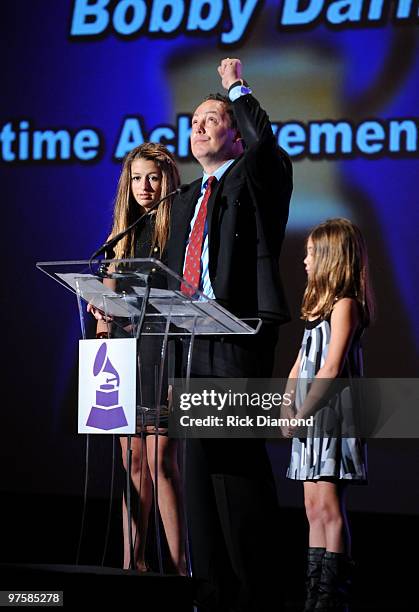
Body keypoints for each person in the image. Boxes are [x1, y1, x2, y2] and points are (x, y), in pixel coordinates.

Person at [167, 59, 293, 611]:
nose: (198, 127)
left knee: (235, 465)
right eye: (193, 120)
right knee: (198, 468)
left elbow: (265, 142)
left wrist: (235, 89)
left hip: (238, 334)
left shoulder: (255, 176)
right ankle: (211, 591)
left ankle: (257, 594)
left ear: (235, 136)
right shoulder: (187, 197)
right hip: (191, 338)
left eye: (212, 118)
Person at [90, 143, 186, 575]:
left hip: (161, 351)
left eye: (152, 178)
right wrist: (99, 312)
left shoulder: (178, 228)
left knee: (159, 460)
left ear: (166, 179)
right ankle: (135, 564)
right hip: (121, 356)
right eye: (136, 178)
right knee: (131, 461)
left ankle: (182, 567)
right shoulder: (120, 236)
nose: (144, 187)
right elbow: (108, 301)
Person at [284, 218, 373, 611]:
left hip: (331, 417)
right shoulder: (318, 308)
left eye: (311, 253)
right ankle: (313, 594)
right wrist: (288, 406)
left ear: (332, 258)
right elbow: (299, 364)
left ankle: (330, 599)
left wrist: (302, 412)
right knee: (312, 508)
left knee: (330, 509)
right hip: (309, 417)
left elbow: (331, 368)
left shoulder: (346, 306)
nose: (304, 260)